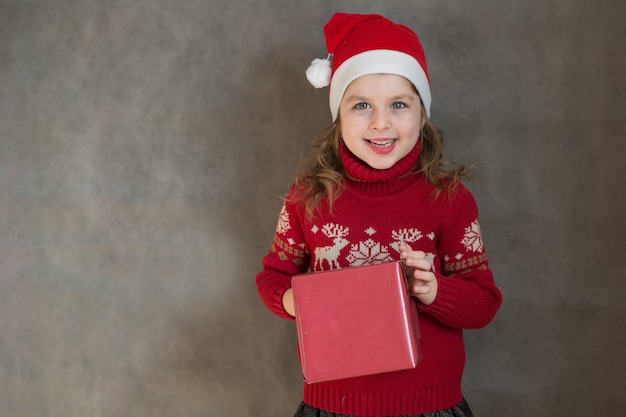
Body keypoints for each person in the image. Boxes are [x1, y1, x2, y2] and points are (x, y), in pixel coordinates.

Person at [255, 12, 502, 417]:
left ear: (422, 115)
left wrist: (433, 290)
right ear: (338, 115)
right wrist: (299, 302)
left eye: (399, 104)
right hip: (333, 405)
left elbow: (484, 303)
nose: (380, 122)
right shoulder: (307, 197)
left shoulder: (450, 200)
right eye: (362, 105)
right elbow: (273, 277)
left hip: (429, 406)